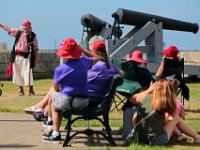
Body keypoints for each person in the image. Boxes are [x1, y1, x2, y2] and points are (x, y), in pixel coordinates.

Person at [131, 79, 200, 145]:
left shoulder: (145, 97)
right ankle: (197, 137)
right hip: (156, 141)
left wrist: (149, 90)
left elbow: (132, 99)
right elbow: (170, 119)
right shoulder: (165, 104)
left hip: (138, 138)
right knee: (175, 118)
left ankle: (180, 135)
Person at [122, 50, 155, 139]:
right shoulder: (145, 72)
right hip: (144, 99)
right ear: (140, 62)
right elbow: (153, 83)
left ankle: (127, 133)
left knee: (128, 109)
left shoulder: (127, 73)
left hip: (131, 98)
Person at [0, 20, 39, 96]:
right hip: (16, 56)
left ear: (29, 26)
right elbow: (8, 29)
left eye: (25, 25)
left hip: (26, 57)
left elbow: (35, 48)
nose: (24, 27)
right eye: (23, 25)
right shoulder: (19, 32)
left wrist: (36, 58)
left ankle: (31, 90)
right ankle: (21, 90)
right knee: (17, 74)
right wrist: (0, 25)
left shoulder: (33, 36)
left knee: (28, 73)